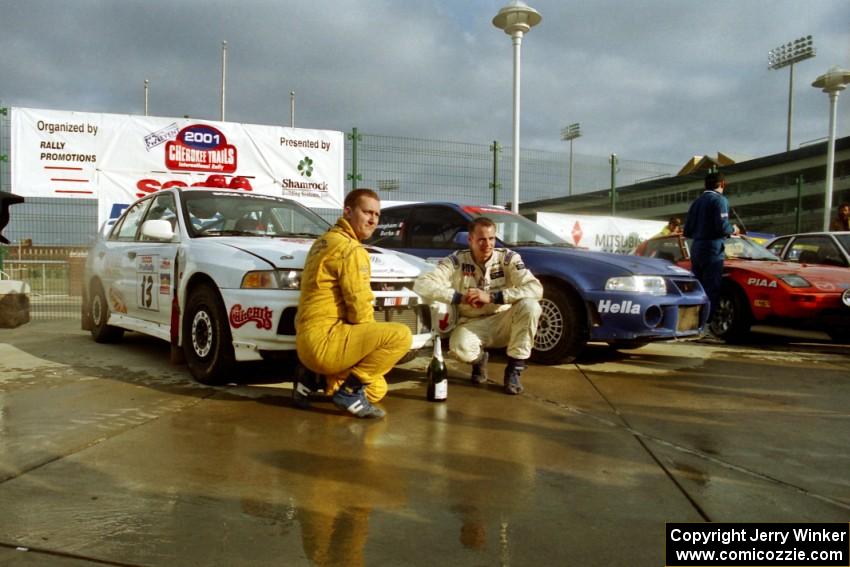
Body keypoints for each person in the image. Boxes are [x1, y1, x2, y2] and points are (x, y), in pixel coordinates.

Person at [293, 188, 412, 418]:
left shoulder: (323, 242)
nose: (373, 220)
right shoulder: (351, 249)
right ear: (347, 211)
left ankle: (311, 378)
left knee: (378, 388)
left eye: (377, 215)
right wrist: (370, 344)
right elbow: (359, 308)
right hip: (325, 344)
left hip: (305, 345)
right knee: (400, 336)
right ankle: (348, 392)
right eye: (367, 212)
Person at [413, 217, 543, 395]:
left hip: (503, 321)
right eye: (481, 239)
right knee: (459, 349)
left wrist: (493, 296)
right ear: (470, 240)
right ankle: (480, 360)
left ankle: (514, 370)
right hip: (471, 323)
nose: (487, 244)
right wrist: (459, 297)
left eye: (491, 239)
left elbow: (535, 288)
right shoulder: (456, 261)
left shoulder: (508, 258)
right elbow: (422, 284)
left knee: (531, 306)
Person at [683, 171, 739, 320]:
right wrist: (733, 229)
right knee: (711, 288)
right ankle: (706, 323)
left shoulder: (696, 202)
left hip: (696, 247)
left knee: (698, 287)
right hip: (713, 249)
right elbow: (722, 227)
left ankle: (692, 320)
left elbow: (687, 230)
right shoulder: (720, 200)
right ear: (722, 184)